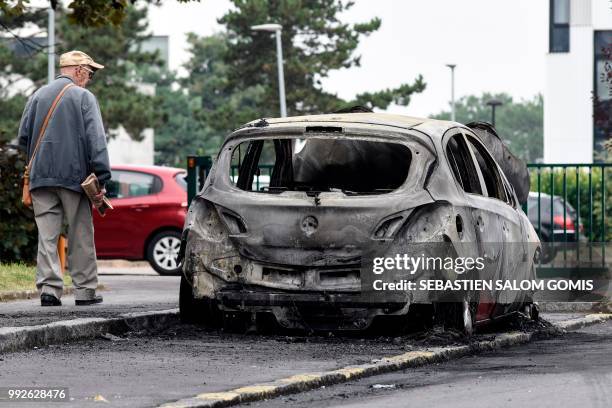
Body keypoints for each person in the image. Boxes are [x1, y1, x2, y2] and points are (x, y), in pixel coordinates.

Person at [17, 50, 110, 306]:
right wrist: (101, 177)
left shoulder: (37, 96)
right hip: (74, 177)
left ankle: (49, 290)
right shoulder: (84, 98)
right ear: (78, 70)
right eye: (89, 73)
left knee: (47, 236)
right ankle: (85, 291)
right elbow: (96, 141)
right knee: (80, 233)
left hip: (40, 178)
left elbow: (23, 138)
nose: (89, 79)